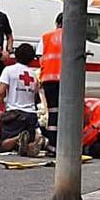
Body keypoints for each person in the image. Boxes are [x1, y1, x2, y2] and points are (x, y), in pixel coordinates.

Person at [0, 44, 41, 156]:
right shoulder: (33, 75)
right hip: (31, 116)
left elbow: (0, 93)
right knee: (25, 144)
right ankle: (30, 143)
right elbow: (36, 98)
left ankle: (18, 138)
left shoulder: (9, 70)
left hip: (15, 114)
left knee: (2, 145)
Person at [38, 14, 64, 152]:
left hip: (48, 79)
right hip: (66, 80)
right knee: (65, 113)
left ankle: (53, 144)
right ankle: (62, 144)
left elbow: (40, 57)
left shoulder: (45, 37)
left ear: (57, 23)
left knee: (52, 112)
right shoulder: (73, 36)